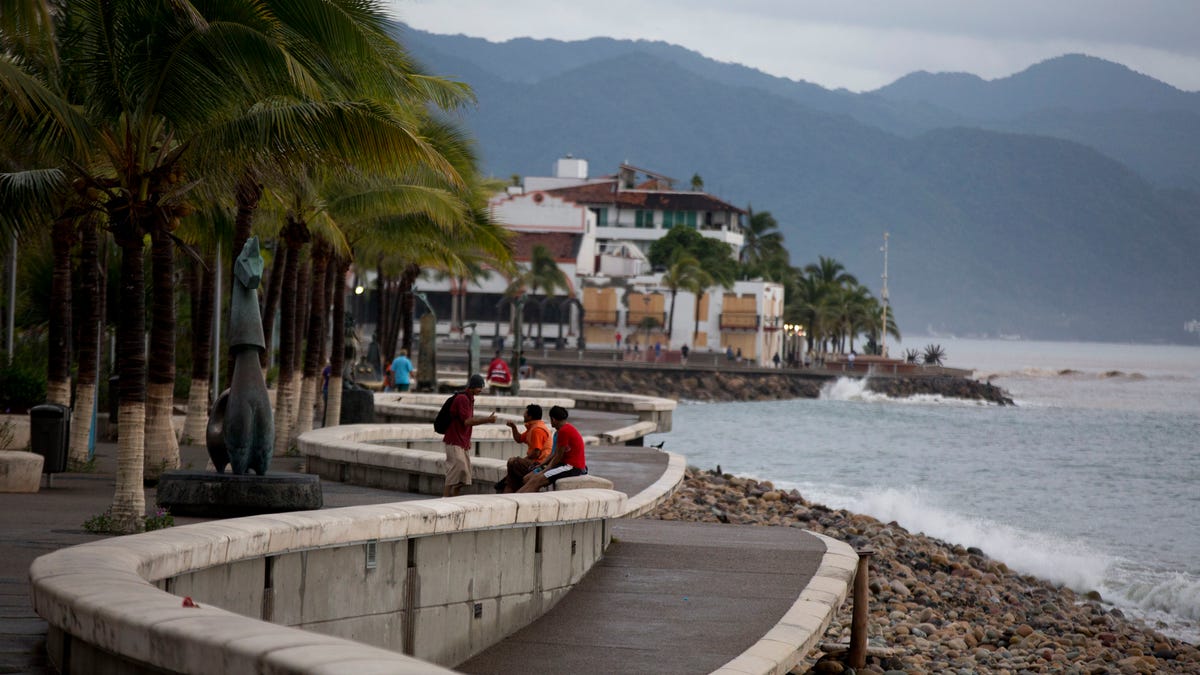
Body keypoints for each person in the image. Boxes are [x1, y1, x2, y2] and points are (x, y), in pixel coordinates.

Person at [442, 373, 496, 497]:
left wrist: (467, 440)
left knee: (465, 473)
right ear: (472, 386)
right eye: (479, 387)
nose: (481, 390)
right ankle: (445, 497)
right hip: (454, 439)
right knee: (457, 467)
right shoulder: (462, 399)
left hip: (462, 441)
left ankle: (454, 497)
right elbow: (467, 421)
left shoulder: (470, 398)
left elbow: (467, 422)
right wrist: (487, 420)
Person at [519, 406, 586, 492]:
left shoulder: (564, 431)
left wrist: (544, 471)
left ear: (553, 419)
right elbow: (554, 453)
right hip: (563, 465)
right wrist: (541, 466)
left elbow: (558, 457)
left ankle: (520, 499)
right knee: (528, 478)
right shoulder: (561, 430)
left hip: (571, 467)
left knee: (537, 480)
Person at [501, 404, 553, 493]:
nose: (523, 415)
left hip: (540, 463)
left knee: (513, 462)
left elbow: (536, 453)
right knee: (513, 469)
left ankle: (510, 487)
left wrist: (524, 459)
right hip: (535, 461)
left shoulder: (537, 430)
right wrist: (514, 427)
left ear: (530, 416)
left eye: (525, 413)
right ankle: (510, 486)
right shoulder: (532, 427)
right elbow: (519, 439)